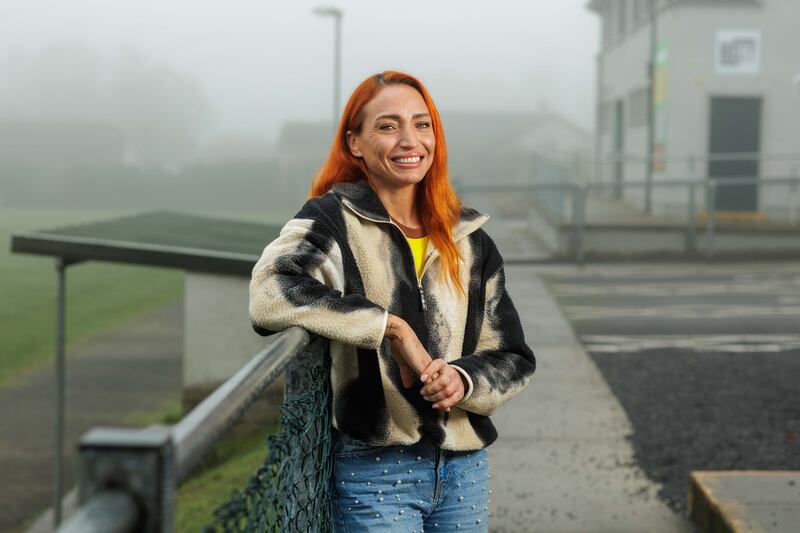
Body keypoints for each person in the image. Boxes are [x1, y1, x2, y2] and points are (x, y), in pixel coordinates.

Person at [249, 70, 536, 531]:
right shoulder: (332, 219)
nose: (410, 140)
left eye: (422, 125)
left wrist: (461, 380)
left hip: (464, 468)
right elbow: (270, 290)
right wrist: (391, 329)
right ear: (355, 143)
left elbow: (513, 357)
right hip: (375, 468)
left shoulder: (469, 240)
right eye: (388, 125)